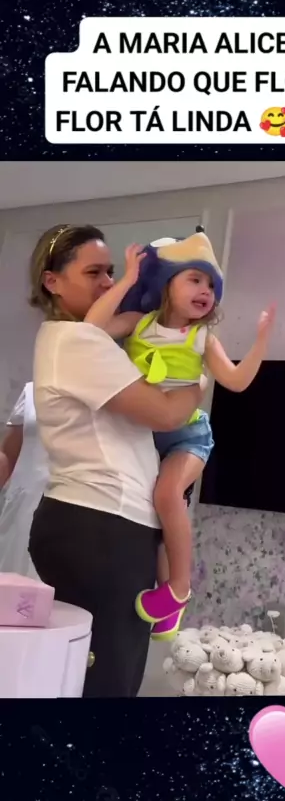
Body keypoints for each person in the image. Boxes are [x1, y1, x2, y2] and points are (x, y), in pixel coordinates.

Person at [28, 223, 206, 698]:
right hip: (102, 526)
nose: (109, 282)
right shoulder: (76, 340)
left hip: (95, 523)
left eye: (111, 271)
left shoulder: (84, 340)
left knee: (93, 677)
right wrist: (198, 380)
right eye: (94, 273)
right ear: (52, 282)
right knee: (109, 681)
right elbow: (165, 412)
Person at [84, 231, 275, 641]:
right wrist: (127, 279)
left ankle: (179, 588)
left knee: (167, 496)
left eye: (211, 285)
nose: (206, 290)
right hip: (143, 438)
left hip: (188, 437)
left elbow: (237, 381)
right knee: (156, 516)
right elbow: (91, 328)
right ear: (166, 283)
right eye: (194, 279)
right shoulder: (138, 323)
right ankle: (168, 608)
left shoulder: (202, 338)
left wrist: (260, 341)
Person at [0, 382, 48, 577]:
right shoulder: (32, 390)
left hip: (78, 511)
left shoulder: (114, 393)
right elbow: (8, 457)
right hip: (23, 507)